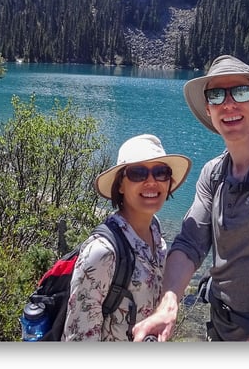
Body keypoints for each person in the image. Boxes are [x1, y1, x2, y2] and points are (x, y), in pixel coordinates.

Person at [132, 54, 249, 341]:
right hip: (220, 328)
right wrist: (168, 303)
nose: (229, 103)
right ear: (209, 110)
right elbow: (189, 244)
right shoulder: (213, 173)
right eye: (216, 95)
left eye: (240, 91)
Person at [62, 134, 192, 341]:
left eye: (161, 172)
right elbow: (78, 338)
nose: (151, 181)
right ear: (120, 185)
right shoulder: (102, 253)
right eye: (138, 173)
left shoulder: (155, 229)